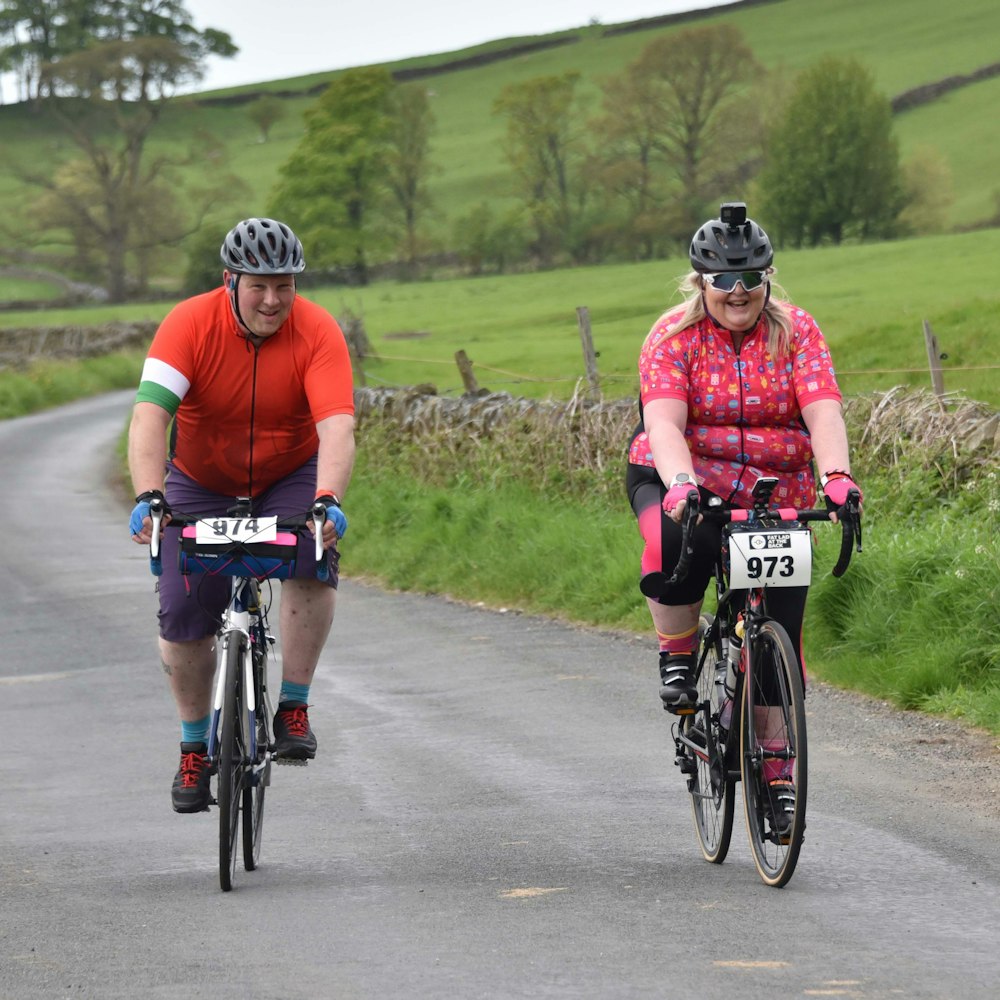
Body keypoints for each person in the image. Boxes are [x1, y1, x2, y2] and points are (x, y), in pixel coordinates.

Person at [625, 202, 861, 834]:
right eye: (723, 280)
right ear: (700, 282)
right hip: (683, 475)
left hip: (768, 488)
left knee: (780, 622)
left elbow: (823, 412)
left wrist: (836, 477)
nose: (738, 292)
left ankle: (779, 776)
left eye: (751, 279)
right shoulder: (672, 336)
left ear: (768, 277)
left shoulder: (798, 331)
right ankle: (677, 653)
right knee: (674, 537)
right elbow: (665, 422)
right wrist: (679, 483)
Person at [128, 217, 356, 813]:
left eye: (285, 286)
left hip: (289, 476)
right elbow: (151, 414)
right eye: (259, 286)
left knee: (312, 554)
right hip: (201, 481)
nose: (273, 300)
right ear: (230, 279)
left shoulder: (318, 330)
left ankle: (294, 705)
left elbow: (336, 424)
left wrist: (328, 497)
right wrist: (149, 493)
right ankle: (193, 748)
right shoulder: (187, 323)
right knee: (181, 608)